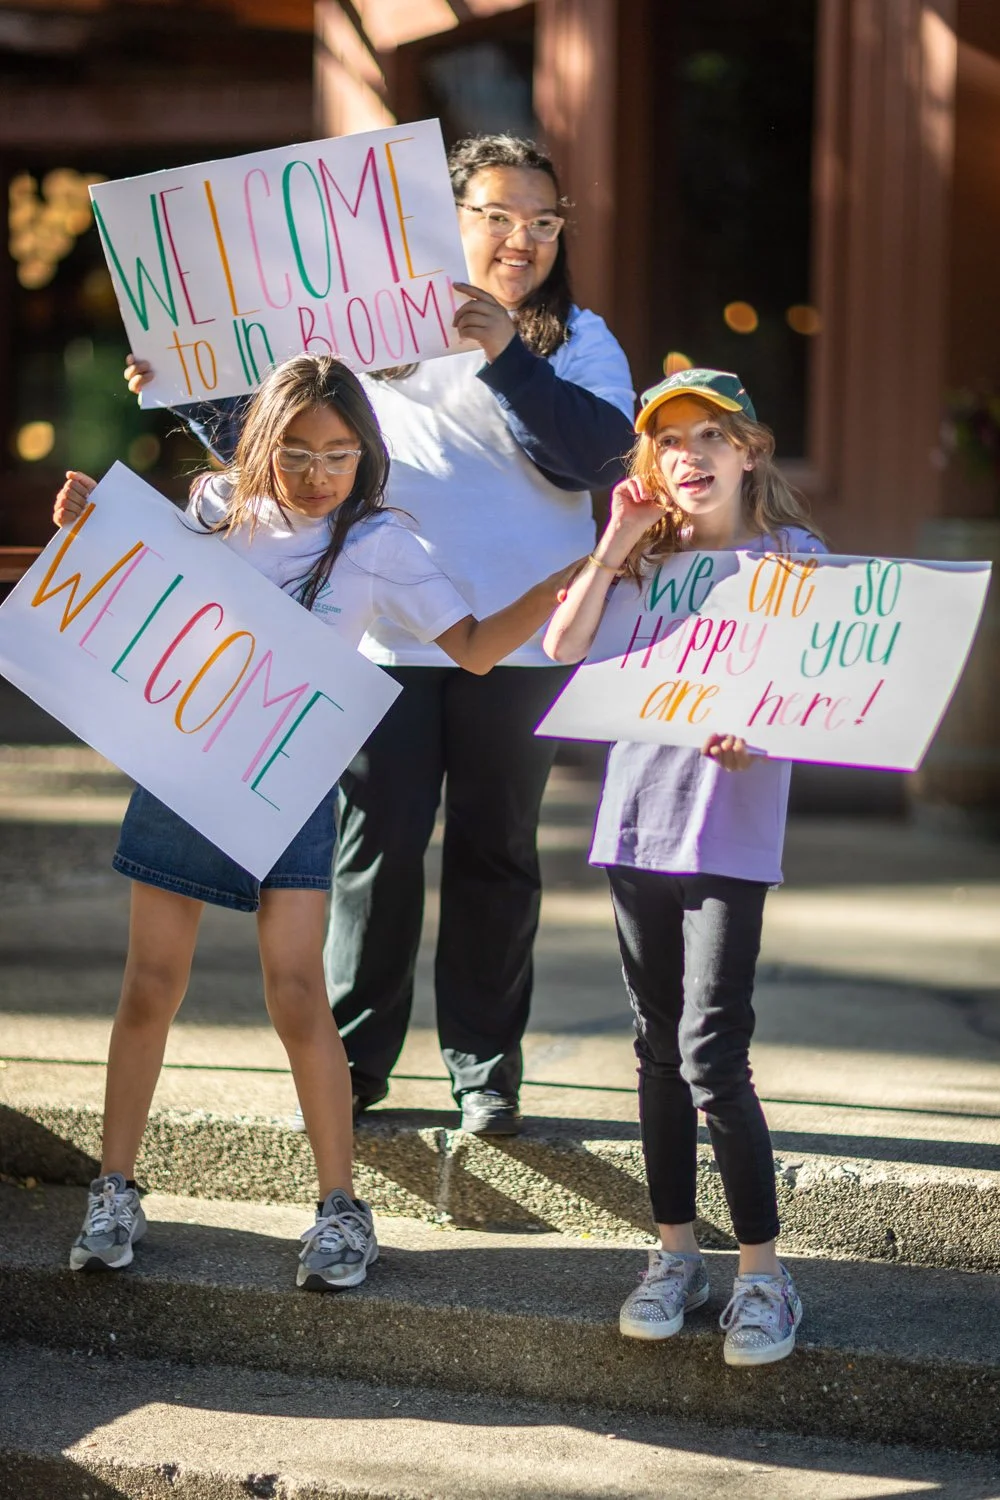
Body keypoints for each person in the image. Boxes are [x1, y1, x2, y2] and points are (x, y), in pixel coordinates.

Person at [125, 132, 635, 1137]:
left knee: (497, 851)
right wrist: (179, 384)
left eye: (541, 221)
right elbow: (287, 446)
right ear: (449, 222)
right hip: (374, 637)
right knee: (375, 850)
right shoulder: (369, 332)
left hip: (517, 642)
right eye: (494, 216)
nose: (518, 239)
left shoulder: (578, 340)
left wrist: (502, 352)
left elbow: (591, 457)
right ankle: (356, 1061)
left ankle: (485, 1069)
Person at [56, 354, 581, 1290]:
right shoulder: (217, 509)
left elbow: (469, 650)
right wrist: (84, 530)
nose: (317, 474)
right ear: (262, 444)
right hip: (184, 767)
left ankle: (341, 1208)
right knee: (150, 986)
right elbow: (136, 594)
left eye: (339, 454)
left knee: (299, 992)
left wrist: (562, 586)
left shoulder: (379, 541)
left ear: (364, 456)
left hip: (287, 781)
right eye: (297, 452)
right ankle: (113, 1187)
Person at [543, 367, 827, 1367]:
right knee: (657, 1049)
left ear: (750, 449)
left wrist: (770, 730)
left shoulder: (794, 560)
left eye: (710, 436)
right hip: (634, 831)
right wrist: (614, 543)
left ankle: (763, 1275)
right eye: (669, 441)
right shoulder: (641, 560)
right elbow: (563, 642)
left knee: (712, 1052)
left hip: (727, 836)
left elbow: (827, 690)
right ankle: (674, 1256)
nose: (689, 456)